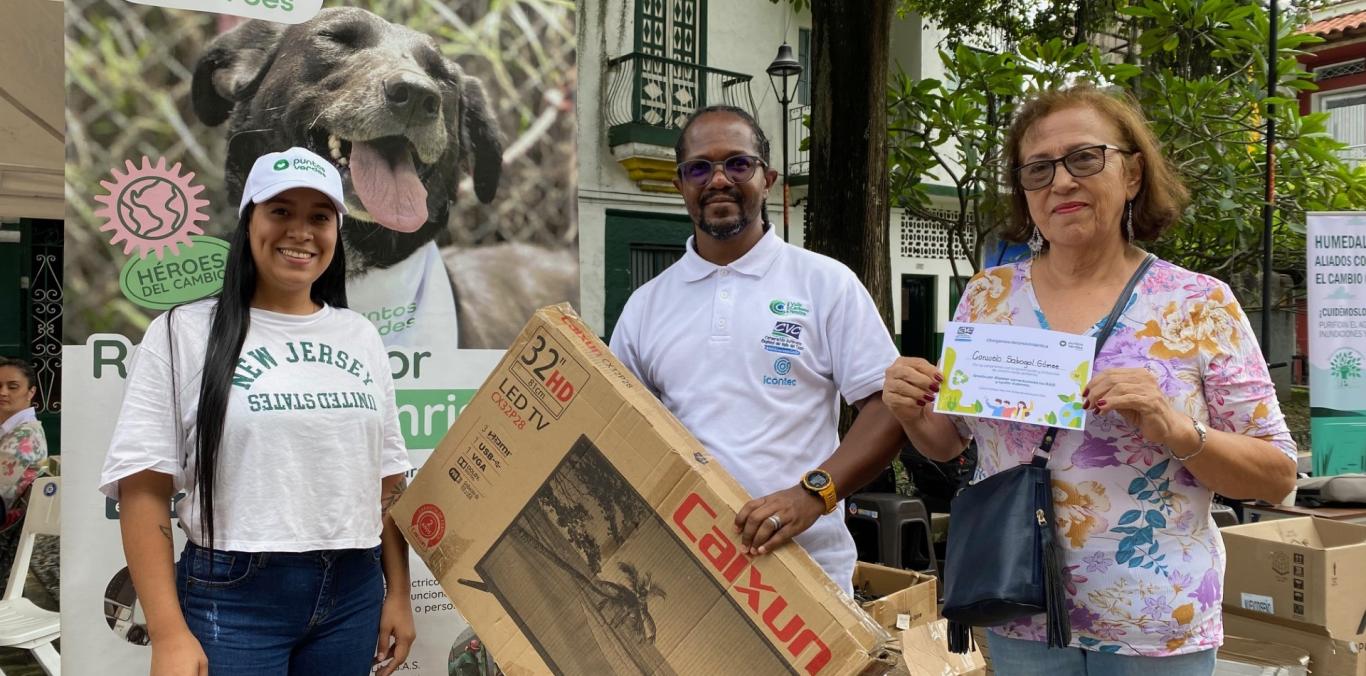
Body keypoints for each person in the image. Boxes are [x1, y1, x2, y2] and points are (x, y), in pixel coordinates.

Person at [885, 85, 1297, 675]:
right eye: (1039, 168)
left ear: (1131, 173)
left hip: (1155, 621)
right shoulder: (988, 296)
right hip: (1016, 602)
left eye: (1084, 158)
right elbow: (953, 443)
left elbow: (1278, 474)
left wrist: (1176, 428)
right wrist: (910, 412)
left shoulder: (1197, 304)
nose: (1062, 182)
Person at [99, 147, 416, 676]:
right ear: (249, 221)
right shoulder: (182, 333)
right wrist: (169, 633)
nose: (301, 231)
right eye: (280, 211)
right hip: (232, 596)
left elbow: (386, 483)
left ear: (337, 231)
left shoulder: (359, 337)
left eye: (319, 216)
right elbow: (143, 488)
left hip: (354, 591)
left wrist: (398, 594)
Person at [609, 105, 906, 595]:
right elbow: (618, 426)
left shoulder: (825, 283)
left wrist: (812, 495)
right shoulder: (646, 305)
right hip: (679, 571)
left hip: (804, 573)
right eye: (699, 168)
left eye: (738, 164)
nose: (718, 179)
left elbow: (886, 408)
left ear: (767, 179)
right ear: (681, 184)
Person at [0, 358, 46, 521]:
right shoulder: (10, 429)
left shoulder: (24, 436)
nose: (3, 392)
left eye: (13, 387)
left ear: (31, 392)